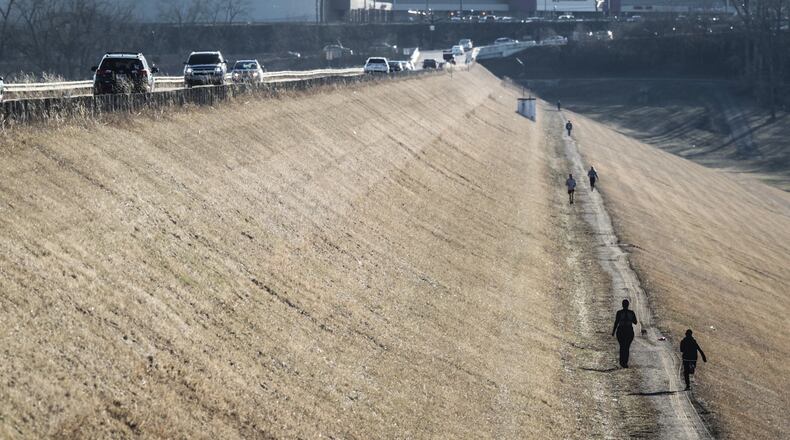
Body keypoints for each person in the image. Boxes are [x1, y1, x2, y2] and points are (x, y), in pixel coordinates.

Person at [612, 299, 638, 368]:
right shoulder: (631, 313)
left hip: (621, 331)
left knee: (622, 346)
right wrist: (630, 319)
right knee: (626, 347)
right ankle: (625, 362)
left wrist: (613, 332)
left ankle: (622, 362)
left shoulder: (619, 312)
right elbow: (635, 322)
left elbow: (616, 322)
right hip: (629, 331)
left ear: (622, 305)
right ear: (628, 305)